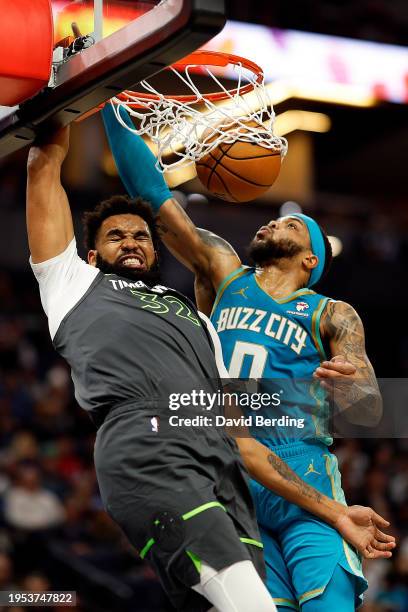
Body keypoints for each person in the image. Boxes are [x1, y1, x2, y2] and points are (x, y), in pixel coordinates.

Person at [102, 104, 395, 611]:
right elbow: (151, 197)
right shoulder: (223, 271)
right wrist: (109, 103)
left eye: (292, 227)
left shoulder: (331, 312)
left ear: (311, 260)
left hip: (302, 469)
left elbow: (368, 409)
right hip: (232, 468)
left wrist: (352, 387)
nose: (270, 226)